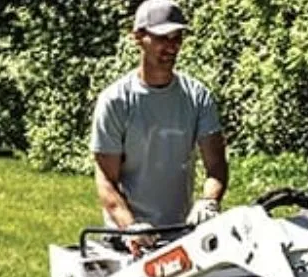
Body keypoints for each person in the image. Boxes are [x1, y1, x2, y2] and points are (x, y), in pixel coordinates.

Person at [90, 0, 228, 254]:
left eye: (178, 38)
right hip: (127, 238)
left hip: (182, 233)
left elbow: (216, 166)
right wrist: (131, 227)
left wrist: (209, 202)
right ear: (138, 37)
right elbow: (106, 181)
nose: (172, 46)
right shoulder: (116, 101)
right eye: (163, 37)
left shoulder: (197, 96)